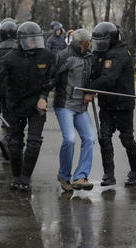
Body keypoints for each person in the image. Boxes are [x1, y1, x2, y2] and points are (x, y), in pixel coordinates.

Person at [0, 21, 55, 192]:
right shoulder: (9, 59)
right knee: (15, 143)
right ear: (21, 40)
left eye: (36, 40)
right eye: (30, 40)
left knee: (34, 141)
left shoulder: (46, 55)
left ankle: (26, 177)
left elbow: (51, 78)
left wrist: (44, 96)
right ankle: (17, 176)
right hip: (14, 106)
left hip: (36, 105)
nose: (33, 43)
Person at [91, 22, 136, 186]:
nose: (99, 45)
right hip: (107, 104)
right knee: (104, 137)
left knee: (126, 138)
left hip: (122, 104)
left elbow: (108, 79)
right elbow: (95, 72)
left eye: (102, 41)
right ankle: (108, 174)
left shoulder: (119, 54)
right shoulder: (101, 54)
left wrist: (89, 88)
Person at [54, 29, 95, 192]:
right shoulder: (65, 56)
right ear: (79, 43)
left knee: (90, 138)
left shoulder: (90, 57)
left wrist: (90, 91)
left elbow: (93, 77)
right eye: (87, 43)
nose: (89, 45)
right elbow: (52, 75)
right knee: (70, 139)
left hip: (81, 106)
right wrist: (42, 96)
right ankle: (64, 175)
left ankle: (80, 176)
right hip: (65, 104)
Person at [0, 20, 18, 160]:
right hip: (14, 89)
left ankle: (8, 141)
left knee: (5, 114)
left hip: (1, 87)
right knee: (13, 117)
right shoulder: (19, 48)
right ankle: (9, 141)